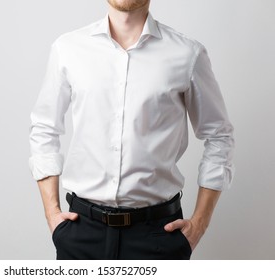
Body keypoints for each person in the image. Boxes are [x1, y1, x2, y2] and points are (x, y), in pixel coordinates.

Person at [28, 0, 235, 260]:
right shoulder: (68, 49)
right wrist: (52, 214)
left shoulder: (187, 54)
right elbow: (44, 128)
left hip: (158, 235)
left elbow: (219, 136)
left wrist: (200, 223)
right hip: (81, 232)